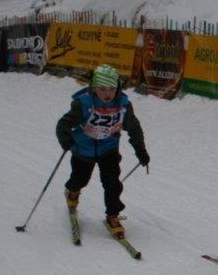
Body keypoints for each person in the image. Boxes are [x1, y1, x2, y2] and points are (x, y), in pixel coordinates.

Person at [56, 64, 150, 238]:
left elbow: (134, 128)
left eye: (112, 89)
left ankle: (112, 215)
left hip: (109, 149)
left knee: (112, 184)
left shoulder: (123, 105)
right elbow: (63, 124)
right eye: (102, 89)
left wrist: (141, 151)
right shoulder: (83, 103)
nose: (107, 94)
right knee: (80, 179)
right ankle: (72, 192)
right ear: (94, 87)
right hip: (83, 150)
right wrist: (66, 140)